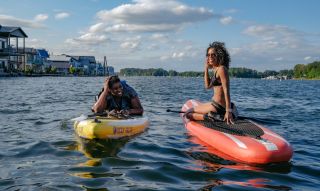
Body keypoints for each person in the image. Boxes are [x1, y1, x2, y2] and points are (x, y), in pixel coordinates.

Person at [185, 41, 237, 124]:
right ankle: (211, 115)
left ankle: (208, 117)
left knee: (188, 114)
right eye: (208, 55)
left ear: (219, 56)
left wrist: (228, 111)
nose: (210, 57)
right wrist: (206, 68)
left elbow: (226, 91)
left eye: (213, 55)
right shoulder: (216, 69)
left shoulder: (222, 69)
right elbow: (207, 86)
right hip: (215, 104)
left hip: (220, 107)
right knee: (189, 111)